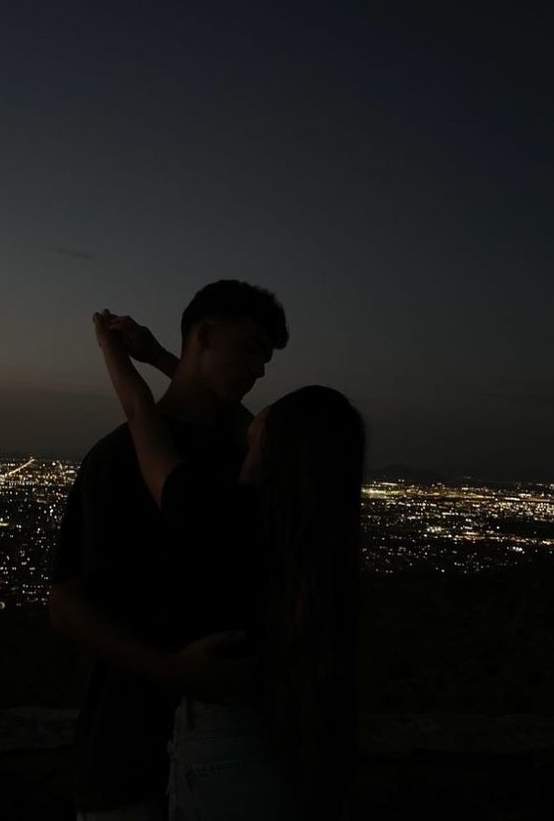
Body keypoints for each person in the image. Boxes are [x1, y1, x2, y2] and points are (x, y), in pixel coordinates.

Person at [92, 308, 365, 821]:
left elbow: (140, 414)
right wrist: (157, 355)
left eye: (262, 423)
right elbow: (221, 406)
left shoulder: (215, 515)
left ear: (267, 445)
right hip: (295, 744)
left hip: (223, 744)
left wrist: (111, 348)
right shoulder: (317, 538)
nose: (249, 414)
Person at [48, 280, 289, 820]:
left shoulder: (242, 456)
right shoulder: (117, 460)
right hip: (132, 756)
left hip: (227, 747)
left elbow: (161, 415)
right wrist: (168, 670)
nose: (261, 369)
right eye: (251, 347)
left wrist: (158, 359)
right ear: (204, 335)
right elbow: (66, 604)